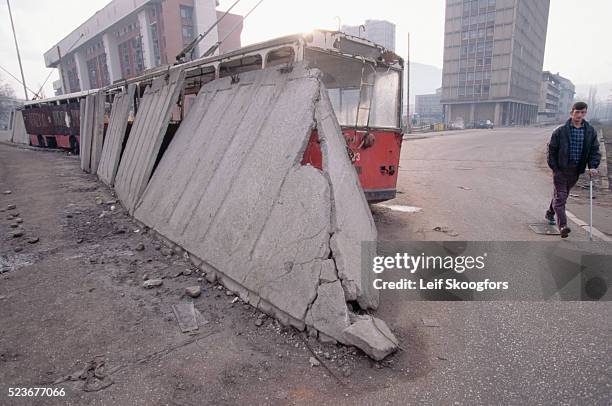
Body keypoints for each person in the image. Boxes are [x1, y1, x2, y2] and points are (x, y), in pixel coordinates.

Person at [546, 101, 601, 238]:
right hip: (560, 169)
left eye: (583, 112)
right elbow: (551, 151)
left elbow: (594, 150)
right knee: (561, 197)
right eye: (577, 112)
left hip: (576, 171)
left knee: (560, 196)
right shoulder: (560, 131)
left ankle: (550, 213)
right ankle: (563, 226)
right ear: (572, 112)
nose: (580, 115)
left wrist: (593, 166)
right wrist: (555, 168)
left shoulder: (589, 131)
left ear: (585, 113)